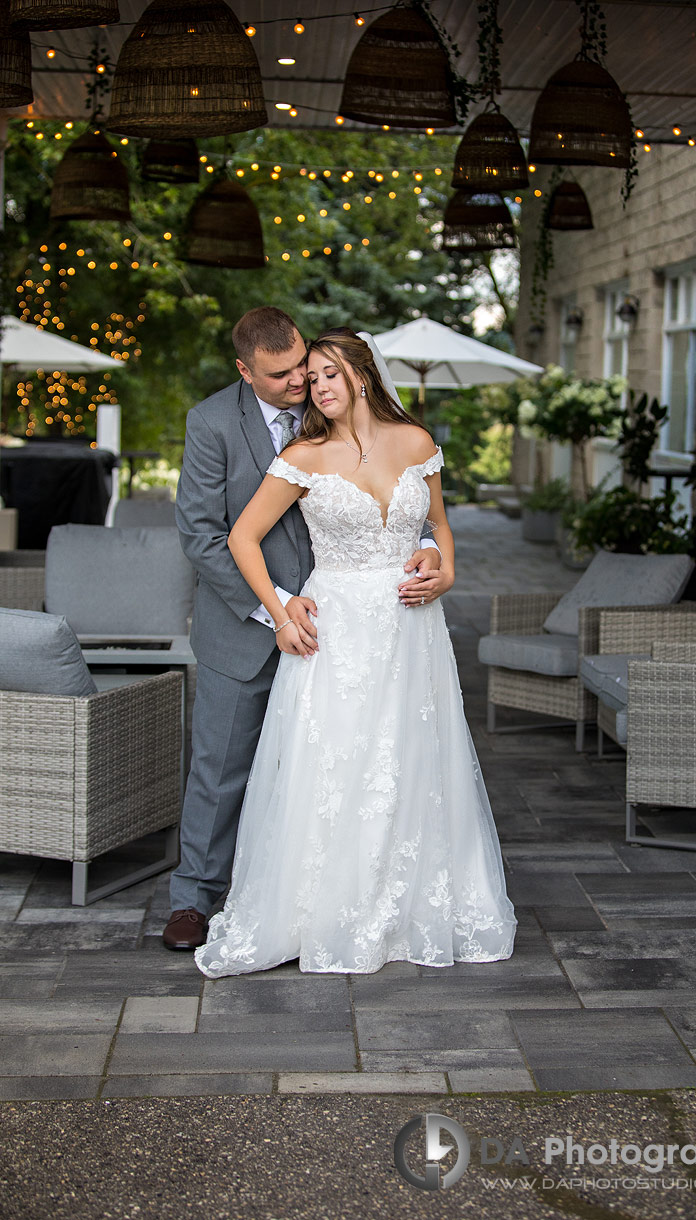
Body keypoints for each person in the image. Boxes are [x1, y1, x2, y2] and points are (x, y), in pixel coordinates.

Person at [195, 328, 516, 976]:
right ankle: (327, 912)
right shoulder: (304, 454)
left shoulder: (417, 443)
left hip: (409, 628)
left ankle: (407, 909)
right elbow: (242, 537)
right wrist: (282, 609)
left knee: (409, 762)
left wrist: (442, 568)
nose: (318, 387)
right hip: (336, 628)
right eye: (311, 379)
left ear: (361, 374)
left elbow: (439, 528)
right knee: (336, 763)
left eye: (328, 374)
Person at [163, 309, 442, 950]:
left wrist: (425, 545)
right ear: (245, 370)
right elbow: (204, 537)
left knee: (328, 770)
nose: (300, 383)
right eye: (281, 373)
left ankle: (323, 898)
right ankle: (193, 900)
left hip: (347, 633)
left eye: (303, 366)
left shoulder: (333, 406)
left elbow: (391, 498)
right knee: (220, 766)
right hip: (247, 626)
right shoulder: (211, 423)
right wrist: (281, 607)